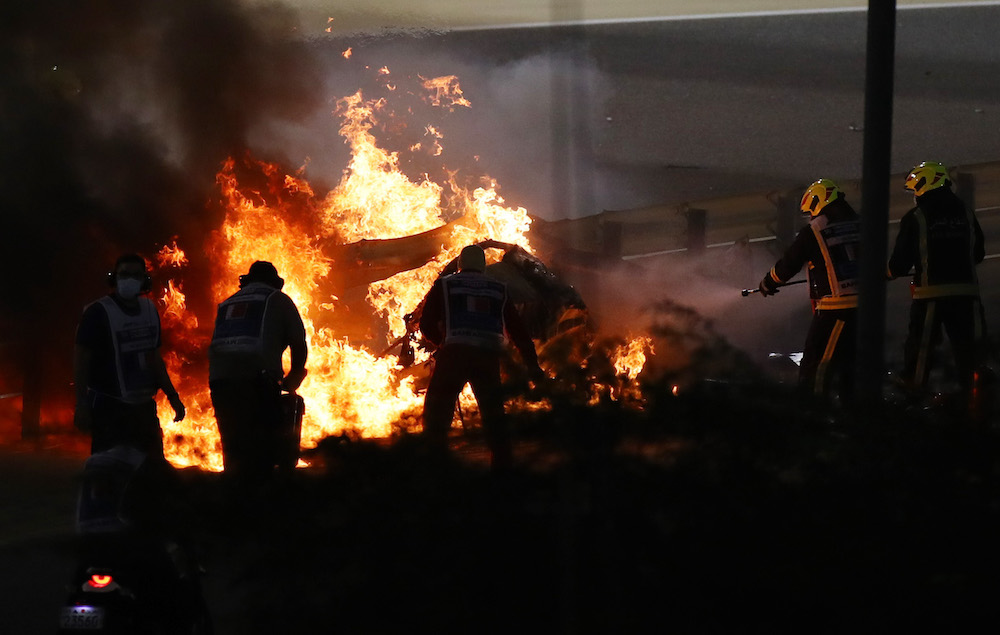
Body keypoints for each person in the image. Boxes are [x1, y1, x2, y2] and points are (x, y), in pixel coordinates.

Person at [418, 244, 545, 471]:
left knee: (437, 412)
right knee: (494, 415)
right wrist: (532, 366)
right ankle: (502, 471)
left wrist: (442, 342)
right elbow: (519, 331)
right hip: (487, 357)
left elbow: (426, 324)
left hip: (454, 355)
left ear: (460, 264)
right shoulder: (498, 289)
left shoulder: (444, 285)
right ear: (483, 266)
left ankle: (434, 467)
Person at [887, 161, 987, 399]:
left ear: (924, 186)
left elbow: (900, 263)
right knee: (970, 351)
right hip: (967, 296)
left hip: (930, 296)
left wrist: (883, 275)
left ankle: (914, 394)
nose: (914, 196)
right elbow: (979, 254)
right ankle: (977, 400)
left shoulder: (916, 217)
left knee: (921, 350)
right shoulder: (966, 212)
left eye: (914, 190)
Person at [757, 179, 861, 401]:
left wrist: (768, 283)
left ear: (817, 203)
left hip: (836, 308)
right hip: (867, 308)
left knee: (817, 361)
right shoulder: (860, 223)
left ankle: (812, 406)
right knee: (850, 363)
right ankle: (851, 408)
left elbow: (790, 263)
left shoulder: (814, 231)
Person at [74, 253, 185, 458]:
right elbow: (81, 360)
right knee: (109, 470)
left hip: (143, 407)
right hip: (109, 406)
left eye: (136, 275)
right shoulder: (98, 312)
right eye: (125, 274)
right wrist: (81, 404)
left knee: (150, 468)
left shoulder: (150, 310)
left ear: (145, 280)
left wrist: (172, 396)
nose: (130, 279)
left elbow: (154, 359)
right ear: (114, 278)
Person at [209, 260, 307, 487]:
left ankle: (233, 498)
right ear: (275, 282)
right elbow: (298, 343)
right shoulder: (279, 299)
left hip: (220, 384)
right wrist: (294, 377)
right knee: (262, 447)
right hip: (257, 382)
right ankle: (261, 503)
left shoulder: (227, 303)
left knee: (233, 447)